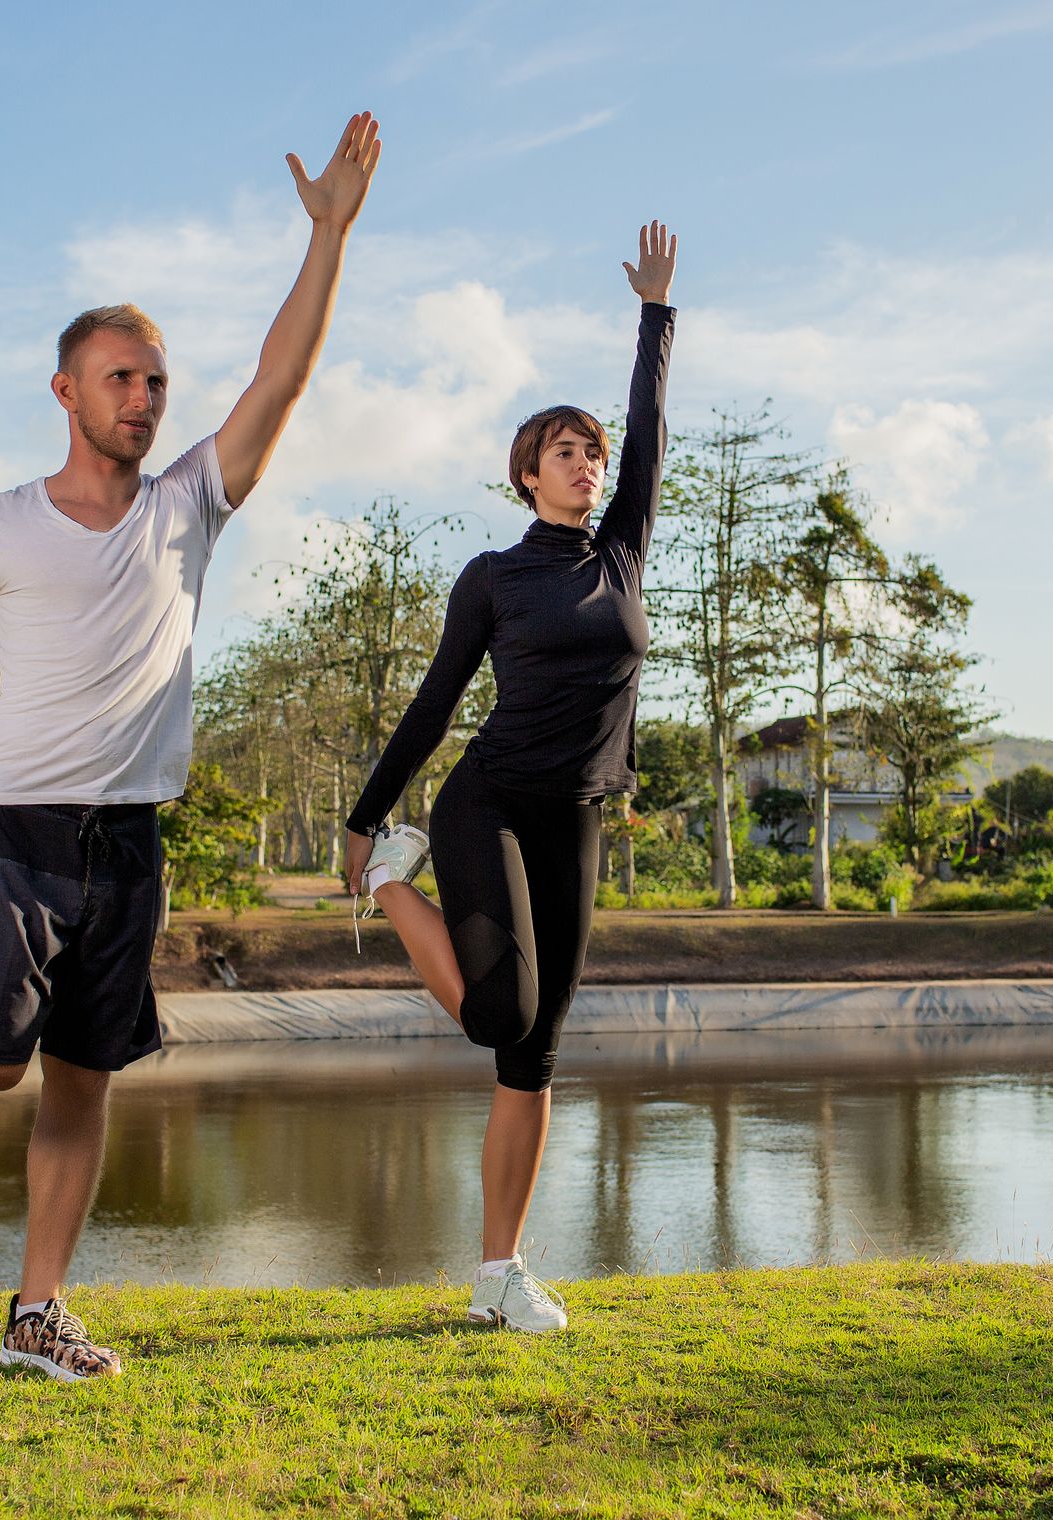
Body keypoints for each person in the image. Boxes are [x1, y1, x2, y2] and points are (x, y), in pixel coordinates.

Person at [0, 113, 383, 1381]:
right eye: (120, 379)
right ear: (67, 390)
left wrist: (327, 236)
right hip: (18, 827)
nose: (142, 400)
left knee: (83, 1078)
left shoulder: (188, 501)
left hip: (129, 840)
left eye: (155, 384)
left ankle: (36, 1312)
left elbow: (282, 380)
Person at [344, 221, 677, 1334]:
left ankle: (498, 1274)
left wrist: (655, 316)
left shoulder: (622, 551)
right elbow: (435, 705)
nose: (587, 463)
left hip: (575, 815)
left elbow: (652, 438)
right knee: (503, 1015)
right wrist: (367, 818)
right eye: (565, 451)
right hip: (486, 802)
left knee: (534, 1056)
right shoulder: (491, 577)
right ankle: (394, 883)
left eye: (593, 451)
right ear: (528, 475)